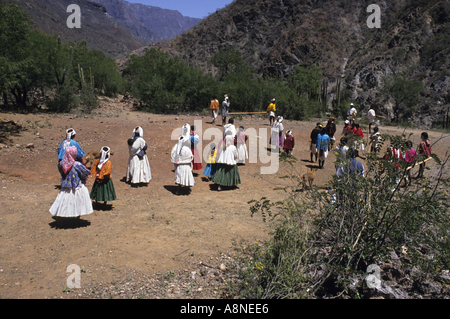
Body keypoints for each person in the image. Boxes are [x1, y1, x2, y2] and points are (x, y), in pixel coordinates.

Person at [50, 146, 93, 225]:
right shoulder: (77, 165)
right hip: (76, 185)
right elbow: (85, 172)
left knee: (63, 201)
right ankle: (77, 217)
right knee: (78, 200)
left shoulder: (61, 164)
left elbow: (60, 171)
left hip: (65, 186)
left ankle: (60, 216)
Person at [171, 124, 195, 194]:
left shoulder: (180, 139)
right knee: (186, 172)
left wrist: (176, 159)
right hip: (186, 157)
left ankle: (178, 190)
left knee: (180, 173)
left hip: (181, 157)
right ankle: (185, 187)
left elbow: (177, 149)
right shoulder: (189, 138)